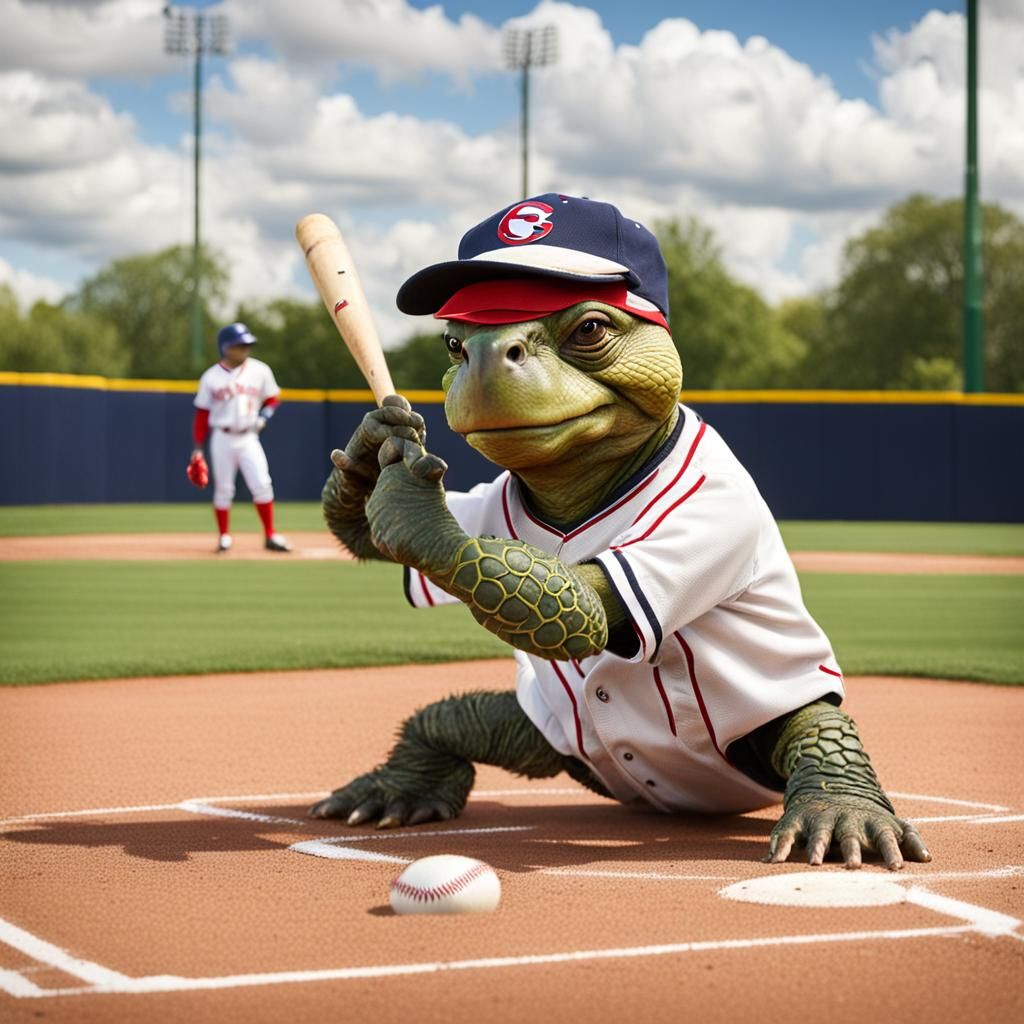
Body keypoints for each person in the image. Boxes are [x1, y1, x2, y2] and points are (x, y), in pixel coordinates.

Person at [312, 194, 930, 872]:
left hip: (746, 748)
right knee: (440, 727)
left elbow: (575, 619)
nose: (491, 362)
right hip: (591, 751)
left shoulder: (706, 489)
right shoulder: (512, 497)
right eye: (464, 345)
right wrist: (364, 481)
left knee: (813, 730)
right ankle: (423, 776)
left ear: (655, 332)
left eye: (587, 332)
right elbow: (375, 535)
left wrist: (441, 544)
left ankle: (842, 787)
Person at [189, 322, 290, 554]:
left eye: (247, 344)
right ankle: (224, 536)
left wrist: (264, 415)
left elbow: (273, 398)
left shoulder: (260, 370)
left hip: (248, 437)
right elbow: (202, 414)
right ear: (225, 348)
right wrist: (197, 447)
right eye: (239, 345)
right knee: (224, 489)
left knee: (262, 484)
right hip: (222, 437)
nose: (245, 349)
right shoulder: (211, 377)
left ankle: (270, 535)